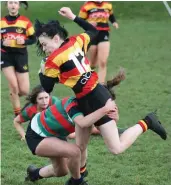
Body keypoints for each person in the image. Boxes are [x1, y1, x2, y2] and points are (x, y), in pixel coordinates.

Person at [35, 7, 167, 184]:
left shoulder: (52, 61)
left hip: (95, 99)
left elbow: (47, 87)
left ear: (56, 38)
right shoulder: (76, 40)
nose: (44, 49)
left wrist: (42, 71)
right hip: (92, 96)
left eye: (44, 44)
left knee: (116, 148)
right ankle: (79, 178)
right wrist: (74, 17)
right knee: (80, 146)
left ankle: (147, 122)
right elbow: (94, 31)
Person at [24, 89, 116, 185]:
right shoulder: (72, 104)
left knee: (61, 171)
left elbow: (96, 129)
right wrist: (105, 110)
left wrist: (113, 118)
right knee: (74, 152)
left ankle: (33, 173)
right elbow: (83, 123)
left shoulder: (91, 109)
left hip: (56, 134)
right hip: (37, 134)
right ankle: (77, 182)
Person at [1, 1, 36, 116]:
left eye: (15, 3)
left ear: (18, 6)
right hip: (5, 56)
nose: (13, 5)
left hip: (21, 56)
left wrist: (24, 41)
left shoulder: (25, 21)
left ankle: (13, 94)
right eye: (10, 2)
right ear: (7, 5)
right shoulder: (1, 22)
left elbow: (33, 38)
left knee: (24, 90)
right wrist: (2, 42)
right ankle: (18, 114)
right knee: (14, 85)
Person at [78, 1, 119, 84]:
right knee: (92, 63)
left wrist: (114, 22)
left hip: (104, 34)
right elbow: (79, 20)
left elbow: (111, 15)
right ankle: (88, 81)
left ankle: (101, 85)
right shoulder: (87, 6)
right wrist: (88, 23)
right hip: (91, 35)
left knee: (103, 62)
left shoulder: (108, 5)